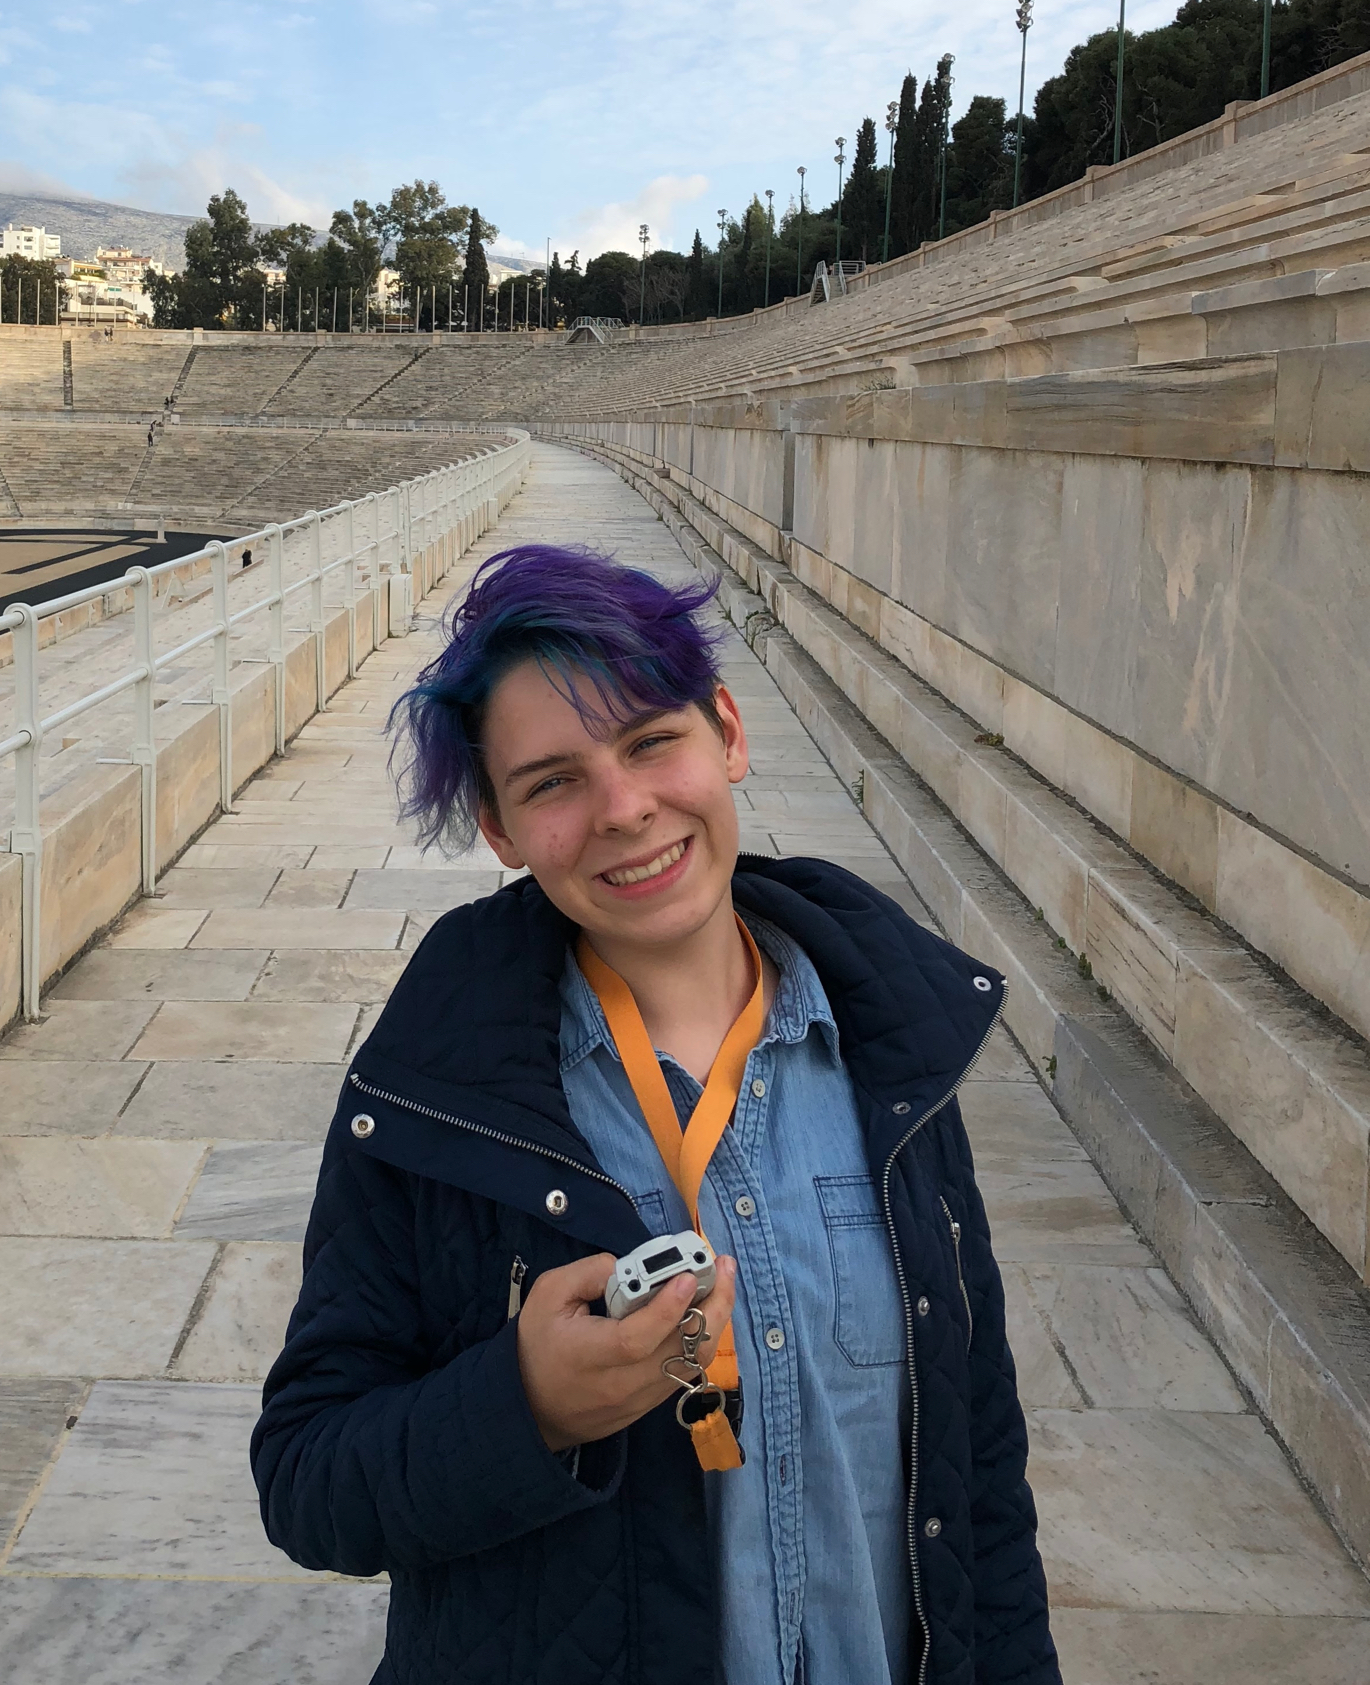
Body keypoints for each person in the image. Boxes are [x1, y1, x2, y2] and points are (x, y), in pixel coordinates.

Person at [253, 545, 1060, 1685]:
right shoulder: (437, 1092)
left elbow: (979, 1465)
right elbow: (308, 1478)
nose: (624, 809)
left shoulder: (895, 1053)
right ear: (499, 828)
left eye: (650, 741)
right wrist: (524, 1403)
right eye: (552, 782)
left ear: (725, 731)